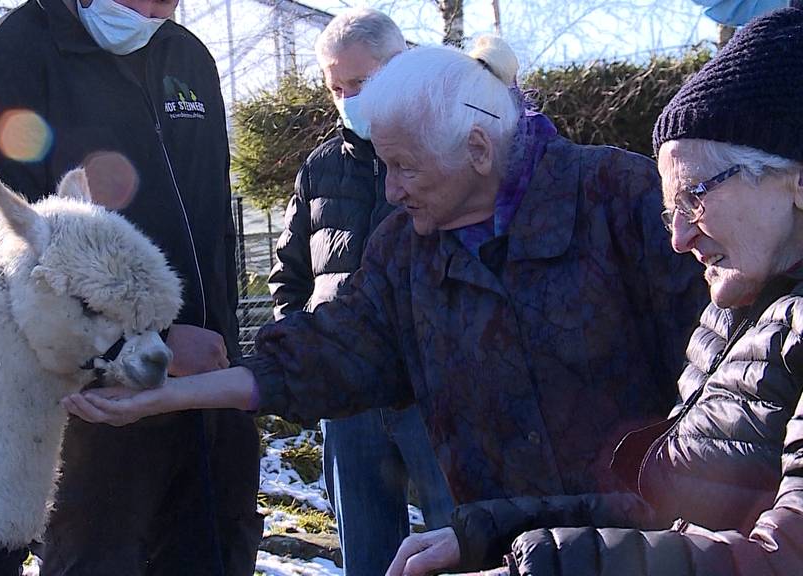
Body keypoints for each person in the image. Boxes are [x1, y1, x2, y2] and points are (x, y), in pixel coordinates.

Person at [62, 38, 709, 572]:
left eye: (404, 167)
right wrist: (163, 395)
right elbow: (333, 351)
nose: (391, 190)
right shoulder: (407, 248)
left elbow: (718, 417)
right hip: (506, 555)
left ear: (478, 151)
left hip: (659, 552)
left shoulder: (623, 203)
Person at [389, 7, 803, 575]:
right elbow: (670, 503)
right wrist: (493, 533)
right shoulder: (739, 312)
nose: (678, 239)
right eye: (669, 213)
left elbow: (783, 561)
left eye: (696, 198)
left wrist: (543, 567)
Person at [0, 0, 262, 574]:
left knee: (215, 547)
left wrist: (220, 352)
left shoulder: (187, 56)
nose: (158, 8)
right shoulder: (9, 59)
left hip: (209, 390)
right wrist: (159, 340)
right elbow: (20, 264)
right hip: (98, 410)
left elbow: (218, 227)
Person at [268, 9, 455, 574]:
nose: (348, 98)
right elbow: (290, 275)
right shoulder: (319, 167)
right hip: (347, 397)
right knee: (367, 555)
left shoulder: (447, 151)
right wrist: (305, 358)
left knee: (463, 540)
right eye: (336, 88)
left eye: (362, 83)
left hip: (435, 393)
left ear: (401, 67)